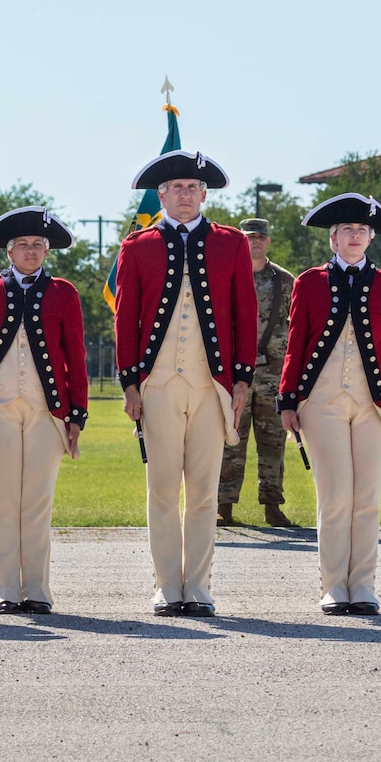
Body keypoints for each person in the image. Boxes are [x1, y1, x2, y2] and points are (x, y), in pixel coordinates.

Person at [114, 151, 257, 617]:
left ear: (204, 194)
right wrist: (130, 384)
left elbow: (245, 313)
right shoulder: (136, 246)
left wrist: (241, 379)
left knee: (202, 490)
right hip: (157, 384)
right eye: (176, 188)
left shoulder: (230, 243)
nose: (185, 194)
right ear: (161, 195)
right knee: (161, 488)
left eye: (193, 187)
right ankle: (164, 585)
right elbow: (126, 319)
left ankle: (197, 585)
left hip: (211, 384)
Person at [279, 194, 381, 615]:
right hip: (321, 402)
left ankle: (364, 585)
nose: (355, 237)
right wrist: (287, 399)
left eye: (362, 231)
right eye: (347, 231)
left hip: (374, 405)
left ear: (370, 238)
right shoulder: (309, 283)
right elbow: (296, 343)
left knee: (367, 496)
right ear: (333, 239)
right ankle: (334, 585)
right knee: (335, 495)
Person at [0, 207, 87, 615]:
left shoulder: (65, 292)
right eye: (24, 245)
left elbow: (75, 357)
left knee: (37, 502)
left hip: (48, 411)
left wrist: (77, 414)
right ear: (9, 251)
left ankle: (37, 590)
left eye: (39, 245)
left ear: (47, 251)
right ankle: (5, 589)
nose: (32, 251)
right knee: (2, 501)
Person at [219, 218, 296, 528]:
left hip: (272, 376)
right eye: (250, 237)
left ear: (268, 240)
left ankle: (272, 507)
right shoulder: (226, 278)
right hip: (236, 376)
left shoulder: (285, 281)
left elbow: (297, 326)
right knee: (230, 441)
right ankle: (224, 507)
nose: (256, 242)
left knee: (273, 443)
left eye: (261, 237)